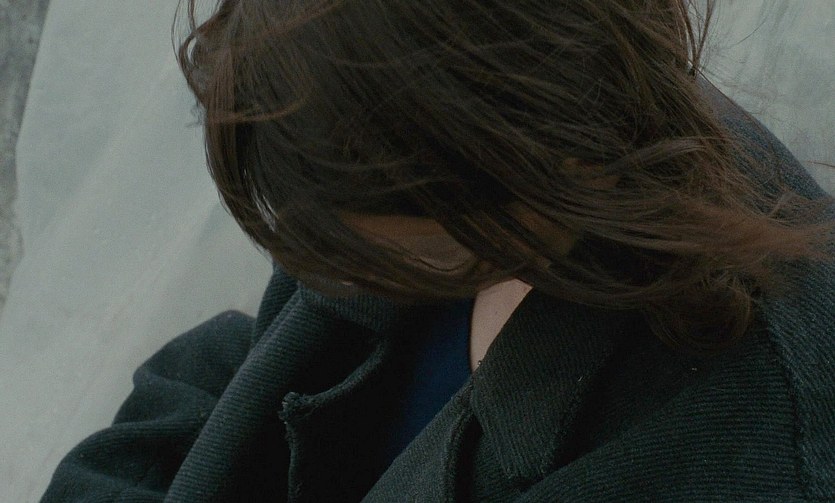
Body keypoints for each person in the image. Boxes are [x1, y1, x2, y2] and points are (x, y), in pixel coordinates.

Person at [41, 0, 835, 501]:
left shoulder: (730, 441)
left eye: (371, 249)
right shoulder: (439, 139)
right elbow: (268, 353)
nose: (336, 271)